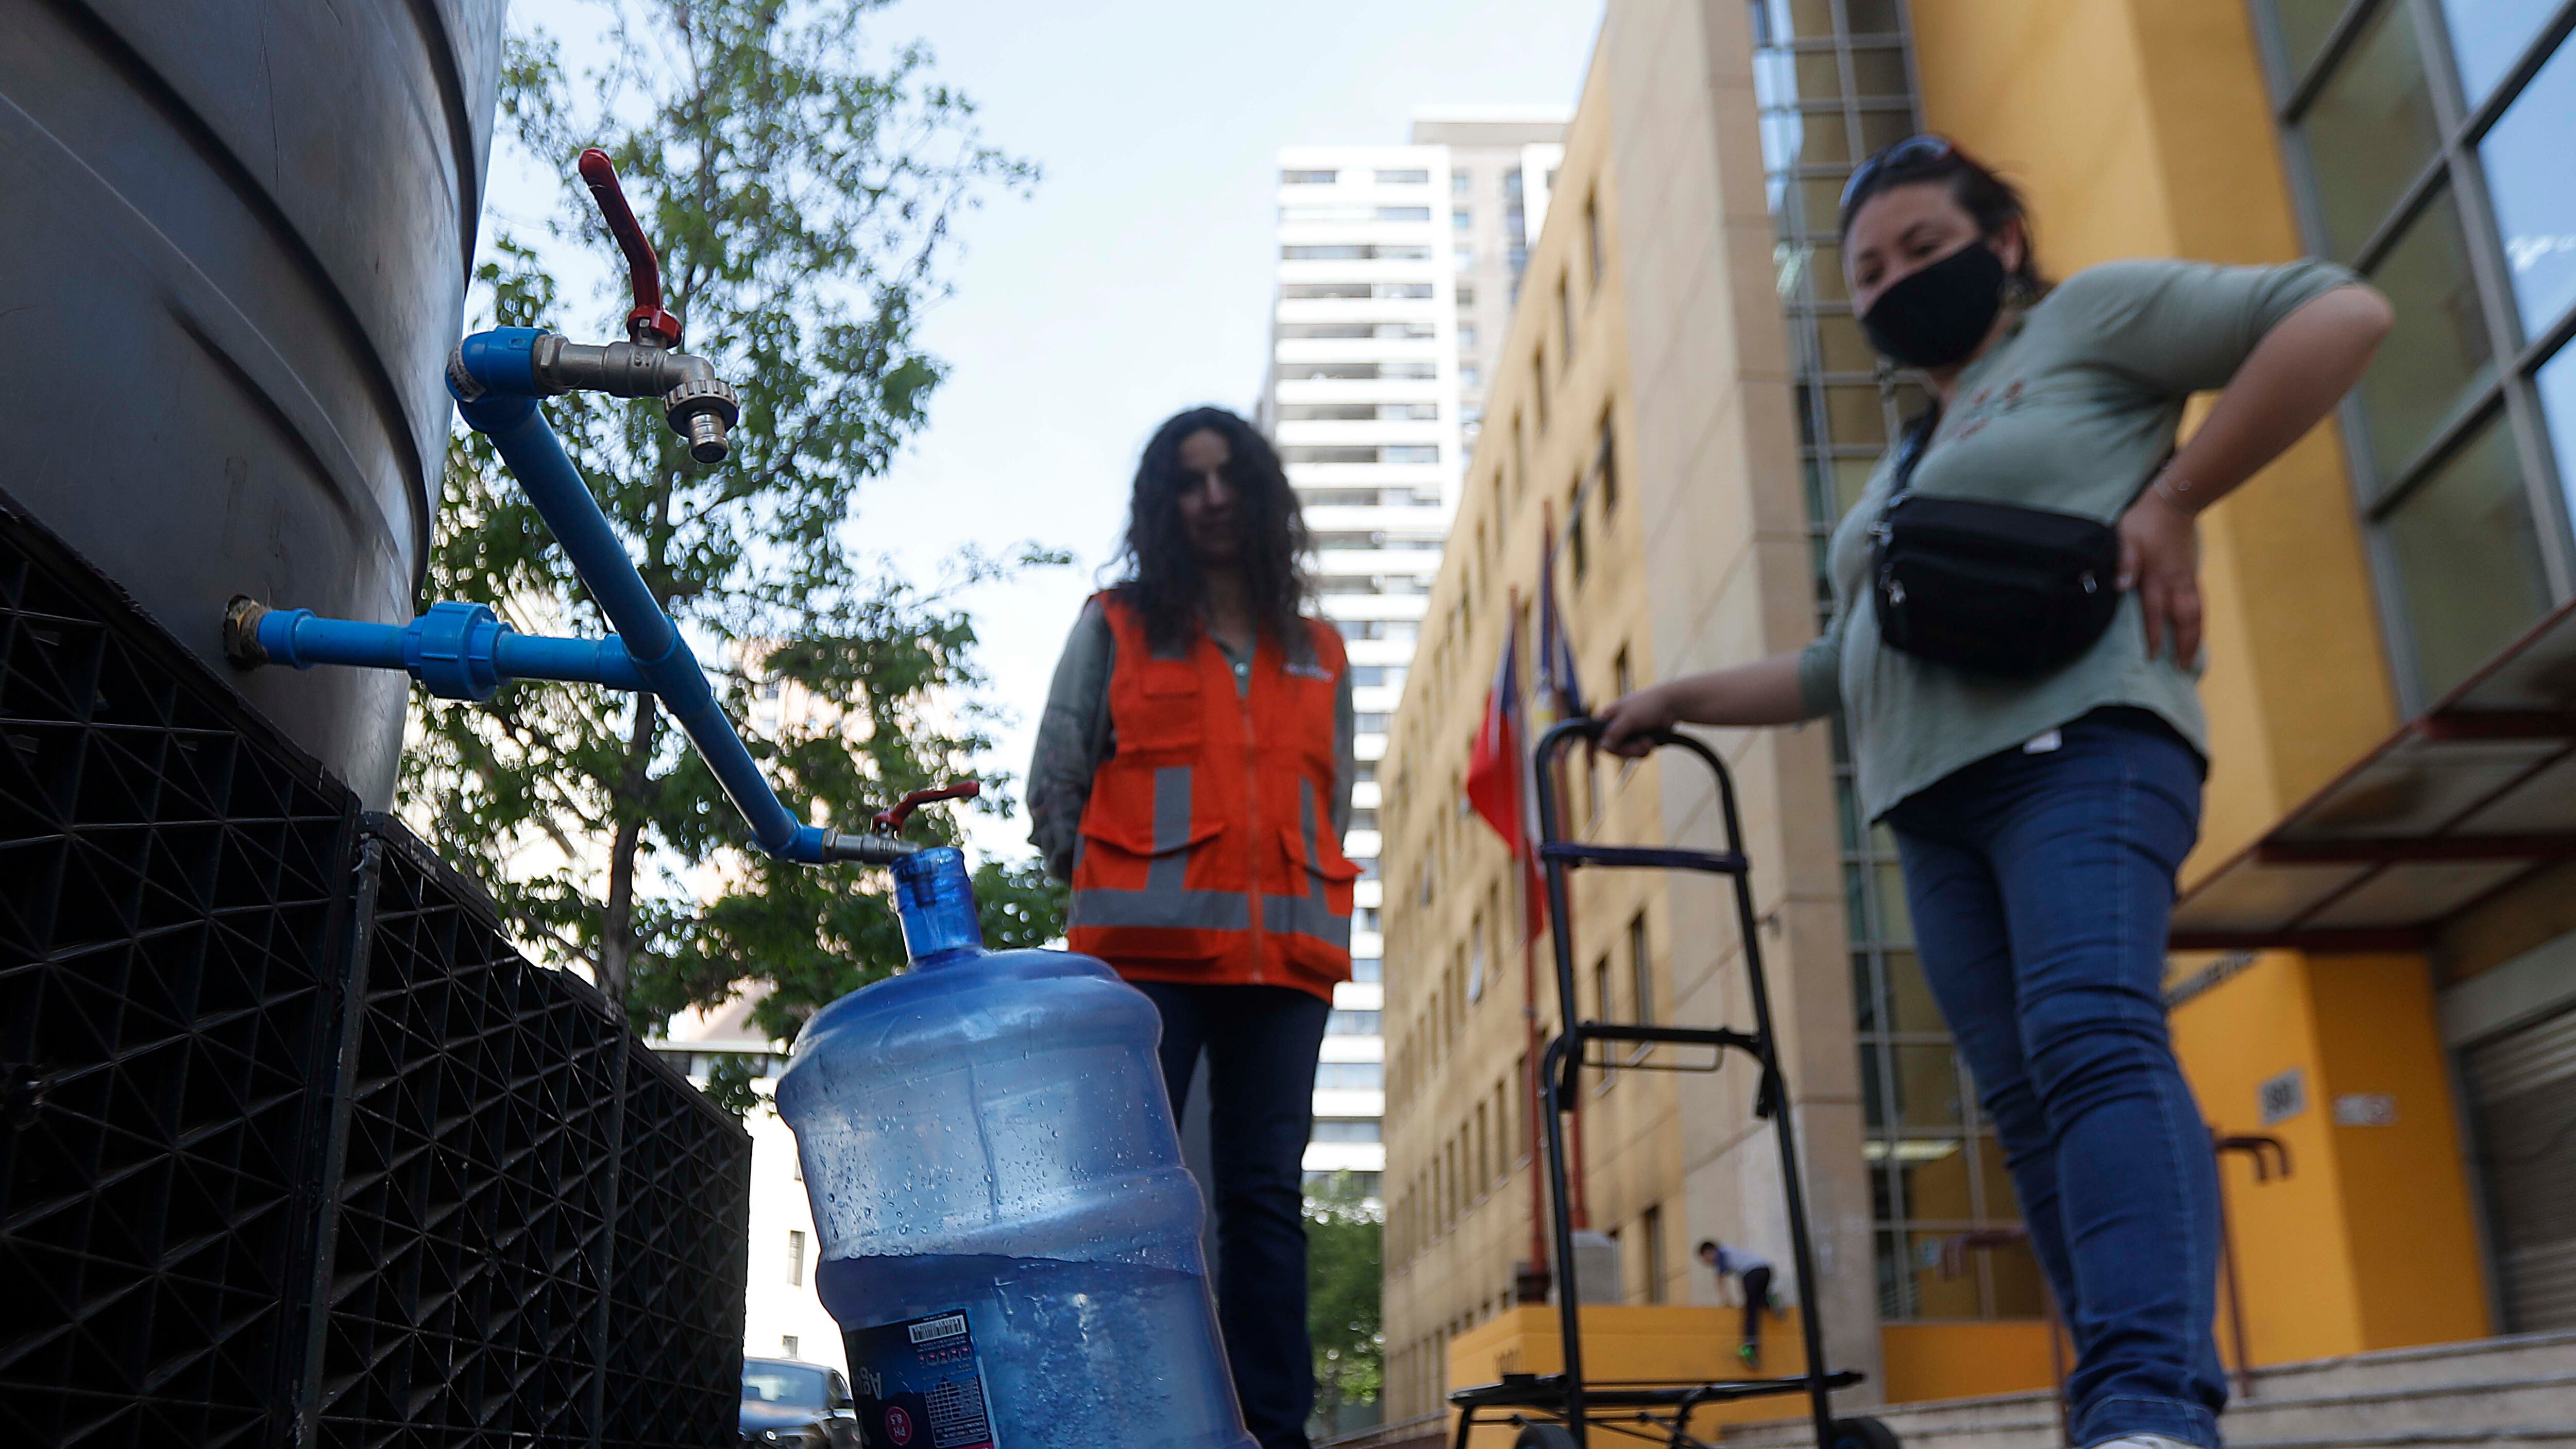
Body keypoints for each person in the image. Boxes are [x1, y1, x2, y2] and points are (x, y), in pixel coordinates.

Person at [1599, 138, 2391, 1449]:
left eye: (1922, 246)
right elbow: (1836, 665)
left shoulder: (2086, 321)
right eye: (1866, 271)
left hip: (2083, 748)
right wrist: (1675, 698)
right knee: (2027, 1105)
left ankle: (2152, 1401)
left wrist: (2178, 497)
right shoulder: (1908, 454)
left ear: (2002, 245)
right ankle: (2115, 1406)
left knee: (2092, 1035)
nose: (1896, 280)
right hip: (1932, 805)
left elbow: (2339, 312)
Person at [1028, 405, 1358, 1449]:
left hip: (1284, 966)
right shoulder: (1117, 622)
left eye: (1227, 477)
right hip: (1142, 964)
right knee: (1131, 1197)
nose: (1210, 497)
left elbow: (1332, 798)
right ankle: (1123, 1414)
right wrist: (1110, 880)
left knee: (1265, 1198)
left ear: (1258, 494)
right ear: (1162, 504)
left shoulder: (1318, 650)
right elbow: (1059, 780)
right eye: (1188, 481)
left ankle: (1273, 1427)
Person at [1697, 1240, 1780, 1365]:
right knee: (1756, 1301)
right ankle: (1768, 1300)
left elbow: (1720, 1279)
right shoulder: (1730, 1252)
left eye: (1706, 1259)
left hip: (1751, 1272)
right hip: (1766, 1269)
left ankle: (1750, 1345)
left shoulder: (1720, 1253)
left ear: (1709, 1252)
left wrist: (1726, 1301)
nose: (1708, 1263)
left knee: (1750, 1310)